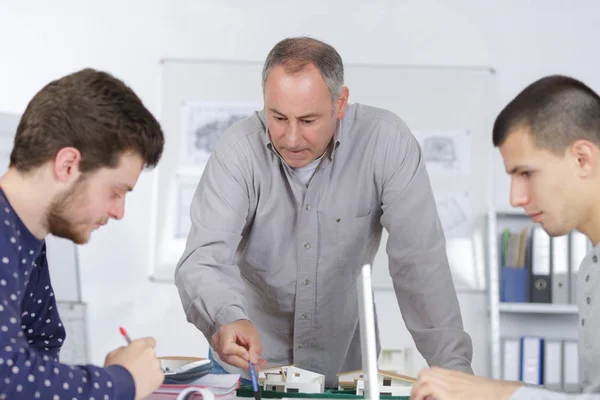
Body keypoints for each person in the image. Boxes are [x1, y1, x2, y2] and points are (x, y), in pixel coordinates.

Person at [174, 36, 473, 387]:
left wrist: (455, 375)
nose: (291, 138)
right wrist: (226, 319)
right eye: (278, 117)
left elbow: (419, 264)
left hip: (344, 372)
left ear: (340, 103)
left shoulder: (386, 144)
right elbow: (203, 259)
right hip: (251, 371)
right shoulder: (236, 152)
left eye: (308, 120)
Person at [411, 75, 600, 400]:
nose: (516, 198)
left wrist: (496, 393)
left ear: (582, 158)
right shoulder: (590, 266)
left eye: (526, 173)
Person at [0, 68, 165, 399]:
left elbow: (40, 356)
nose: (119, 212)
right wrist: (122, 382)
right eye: (116, 191)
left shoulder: (26, 242)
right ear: (68, 166)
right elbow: (8, 377)